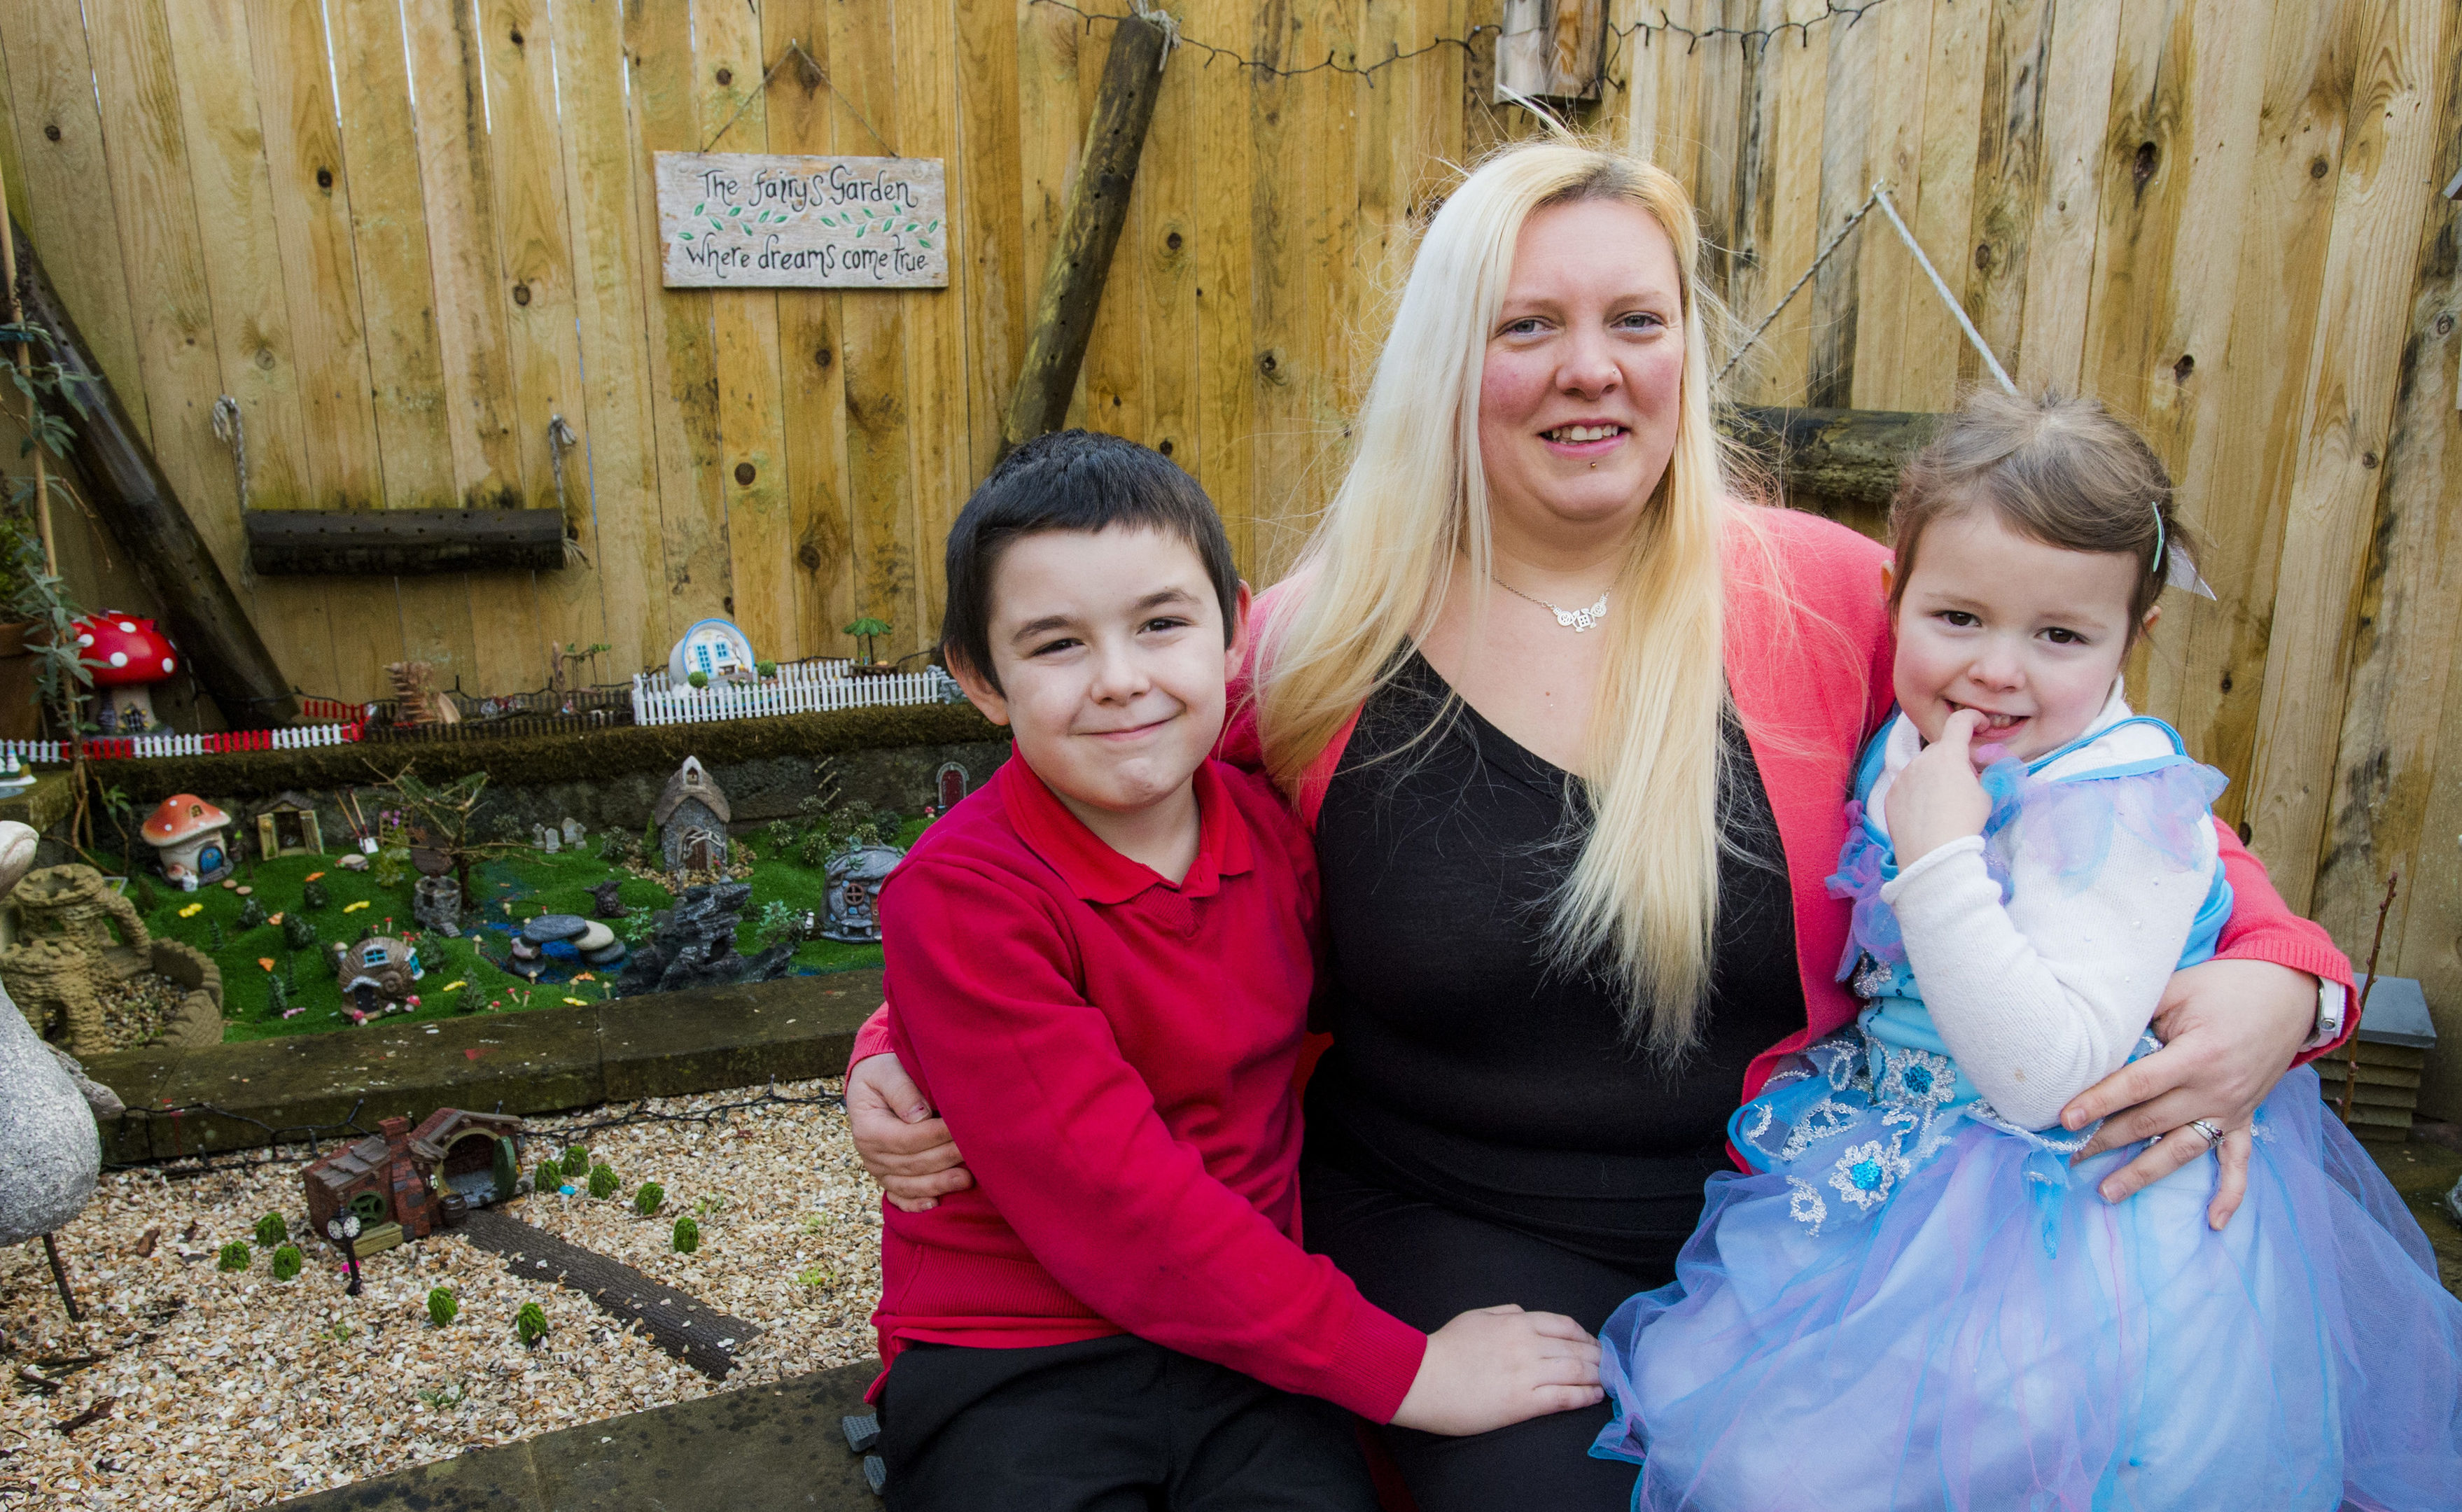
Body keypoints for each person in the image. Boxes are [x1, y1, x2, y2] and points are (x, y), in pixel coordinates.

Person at [846, 140, 2353, 1511]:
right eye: (1529, 328)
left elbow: (2081, 790)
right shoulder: (1316, 648)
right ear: (1453, 361)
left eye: (1636, 322)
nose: (1593, 371)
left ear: (1686, 354)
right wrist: (892, 1045)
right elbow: (1076, 834)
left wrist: (2286, 976)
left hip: (1822, 1212)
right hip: (1456, 1223)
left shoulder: (1826, 598)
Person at [1586, 389, 2462, 1510]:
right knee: (1791, 1459)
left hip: (2074, 1220)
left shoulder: (2116, 808)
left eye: (2057, 636)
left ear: (2128, 643)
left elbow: (2047, 1076)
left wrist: (1940, 856)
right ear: (1892, 601)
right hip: (1896, 1168)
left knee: (2039, 1461)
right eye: (1957, 619)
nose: (1996, 671)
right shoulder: (1915, 734)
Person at [866, 430, 1600, 1511]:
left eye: (1160, 625)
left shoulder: (1272, 826)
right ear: (982, 679)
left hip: (1251, 1339)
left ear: (1232, 631)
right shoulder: (965, 896)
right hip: (1016, 1350)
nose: (1121, 682)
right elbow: (1120, 1205)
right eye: (1056, 645)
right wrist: (1410, 1372)